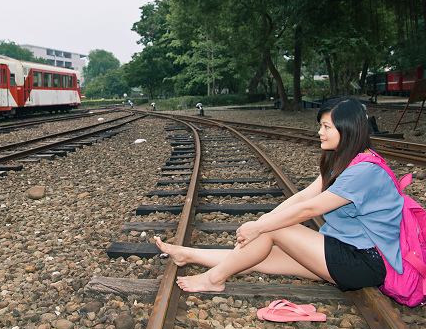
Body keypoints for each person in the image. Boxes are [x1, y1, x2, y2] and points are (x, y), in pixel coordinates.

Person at [154, 96, 404, 293]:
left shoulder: (364, 171)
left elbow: (309, 210)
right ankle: (188, 254)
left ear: (347, 130)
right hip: (345, 249)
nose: (320, 132)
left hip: (367, 262)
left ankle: (214, 279)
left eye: (327, 126)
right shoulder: (346, 161)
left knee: (271, 230)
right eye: (321, 126)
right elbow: (303, 197)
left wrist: (261, 226)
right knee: (260, 255)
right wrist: (261, 222)